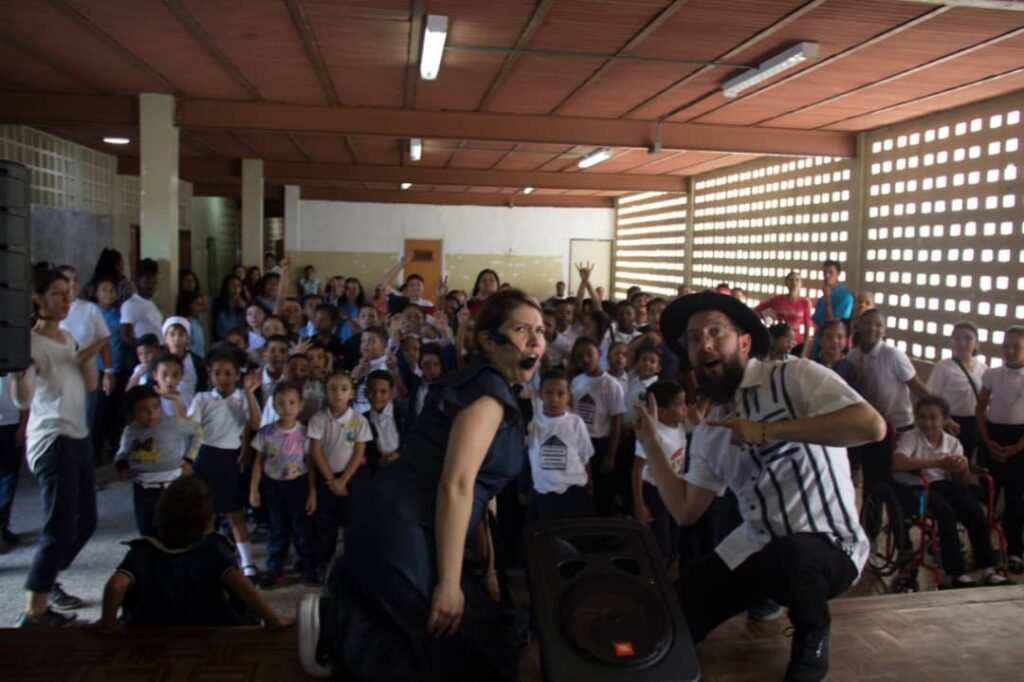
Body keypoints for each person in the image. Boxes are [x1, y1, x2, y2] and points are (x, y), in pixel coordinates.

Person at [300, 288, 544, 680]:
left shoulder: (493, 389)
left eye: (541, 330)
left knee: (466, 630)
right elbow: (456, 486)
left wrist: (491, 569)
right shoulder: (487, 395)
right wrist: (449, 582)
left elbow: (484, 496)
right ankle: (330, 629)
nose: (536, 340)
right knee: (449, 630)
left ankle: (339, 622)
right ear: (487, 339)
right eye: (522, 329)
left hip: (411, 523)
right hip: (401, 526)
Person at [643, 291, 885, 681]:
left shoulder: (795, 377)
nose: (703, 343)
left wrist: (768, 430)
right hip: (758, 546)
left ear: (743, 342)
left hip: (828, 547)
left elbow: (871, 426)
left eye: (715, 332)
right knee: (673, 610)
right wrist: (652, 443)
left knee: (790, 555)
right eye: (692, 337)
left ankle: (812, 642)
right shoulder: (710, 432)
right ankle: (756, 597)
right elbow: (687, 511)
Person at [13, 268, 107, 627]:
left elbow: (90, 383)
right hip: (53, 441)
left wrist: (85, 360)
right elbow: (23, 400)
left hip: (77, 435)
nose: (66, 299)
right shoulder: (30, 344)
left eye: (68, 293)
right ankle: (34, 611)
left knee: (86, 521)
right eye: (56, 293)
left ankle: (46, 577)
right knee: (59, 526)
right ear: (38, 298)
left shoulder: (67, 338)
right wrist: (19, 372)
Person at [96, 476, 294, 632]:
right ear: (208, 520)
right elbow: (240, 584)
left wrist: (108, 624)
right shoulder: (213, 549)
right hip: (214, 629)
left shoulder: (142, 552)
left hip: (151, 631)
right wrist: (273, 619)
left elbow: (116, 585)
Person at [892, 395, 1008, 588]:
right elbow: (898, 462)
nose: (927, 422)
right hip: (917, 487)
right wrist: (937, 462)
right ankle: (957, 572)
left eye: (933, 417)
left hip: (944, 485)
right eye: (922, 417)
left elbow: (960, 483)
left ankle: (988, 568)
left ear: (944, 419)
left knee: (974, 511)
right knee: (946, 514)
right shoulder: (911, 437)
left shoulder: (952, 442)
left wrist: (961, 469)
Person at [188, 346, 262, 578]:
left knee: (234, 513)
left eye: (228, 373)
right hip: (205, 456)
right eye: (217, 373)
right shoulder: (202, 398)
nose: (223, 378)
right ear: (210, 374)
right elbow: (191, 426)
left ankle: (247, 563)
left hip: (230, 458)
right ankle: (208, 557)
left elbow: (256, 425)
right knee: (207, 513)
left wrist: (249, 393)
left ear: (237, 375)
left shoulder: (242, 398)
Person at [847, 308, 931, 486]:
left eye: (878, 325)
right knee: (871, 476)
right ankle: (870, 513)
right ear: (858, 327)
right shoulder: (852, 356)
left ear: (884, 330)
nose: (872, 329)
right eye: (867, 323)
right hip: (869, 426)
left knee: (894, 479)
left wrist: (939, 415)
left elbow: (918, 387)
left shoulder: (893, 355)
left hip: (898, 427)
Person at [250, 381, 317, 588]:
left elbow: (310, 463)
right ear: (274, 405)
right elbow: (258, 462)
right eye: (281, 403)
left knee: (302, 530)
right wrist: (254, 489)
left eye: (291, 403)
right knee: (278, 529)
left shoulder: (305, 433)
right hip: (274, 487)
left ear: (300, 406)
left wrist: (313, 491)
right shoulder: (266, 433)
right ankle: (274, 568)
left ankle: (307, 567)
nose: (286, 408)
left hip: (298, 485)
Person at [307, 372, 373, 576]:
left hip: (351, 478)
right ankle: (322, 562)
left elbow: (359, 451)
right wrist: (331, 480)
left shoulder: (358, 420)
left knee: (353, 522)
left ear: (352, 393)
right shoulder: (318, 419)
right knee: (326, 524)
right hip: (327, 477)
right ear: (326, 392)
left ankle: (354, 563)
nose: (338, 393)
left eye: (344, 389)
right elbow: (315, 451)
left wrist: (343, 480)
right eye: (333, 389)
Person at [115, 385, 200, 536]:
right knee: (147, 529)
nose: (151, 414)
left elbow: (196, 432)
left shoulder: (173, 424)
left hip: (172, 485)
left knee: (175, 528)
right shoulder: (131, 431)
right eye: (143, 410)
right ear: (132, 413)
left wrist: (189, 459)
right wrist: (122, 467)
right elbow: (122, 452)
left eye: (155, 407)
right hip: (144, 487)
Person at [976, 326, 1024, 573]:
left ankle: (1015, 550)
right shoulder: (993, 374)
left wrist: (1018, 447)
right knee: (988, 498)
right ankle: (983, 552)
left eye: (1016, 347)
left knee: (1016, 500)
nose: (1010, 351)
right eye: (1006, 346)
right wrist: (987, 441)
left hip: (1019, 442)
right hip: (993, 438)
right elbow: (980, 409)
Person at [525, 369, 594, 522]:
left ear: (569, 396)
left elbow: (585, 458)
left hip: (573, 492)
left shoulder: (576, 423)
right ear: (540, 394)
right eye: (548, 393)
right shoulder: (533, 424)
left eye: (560, 393)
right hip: (543, 494)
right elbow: (528, 459)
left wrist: (590, 486)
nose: (554, 399)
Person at [633, 380, 689, 565]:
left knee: (675, 537)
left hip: (673, 489)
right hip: (654, 492)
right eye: (680, 405)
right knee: (660, 542)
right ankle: (657, 577)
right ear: (662, 411)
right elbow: (637, 470)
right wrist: (640, 505)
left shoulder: (680, 427)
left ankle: (668, 570)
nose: (685, 408)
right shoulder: (652, 433)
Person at [570, 336, 627, 517]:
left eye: (589, 354)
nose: (585, 360)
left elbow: (616, 420)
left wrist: (611, 454)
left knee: (603, 492)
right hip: (578, 443)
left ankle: (604, 534)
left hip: (600, 444)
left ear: (599, 354)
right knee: (582, 489)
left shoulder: (611, 384)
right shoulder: (576, 381)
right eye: (580, 357)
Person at [926, 322, 986, 459]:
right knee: (950, 460)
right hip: (952, 423)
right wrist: (945, 420)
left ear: (976, 344)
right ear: (951, 342)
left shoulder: (983, 368)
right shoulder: (943, 367)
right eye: (957, 338)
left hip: (975, 422)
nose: (962, 342)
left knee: (967, 459)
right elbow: (932, 398)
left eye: (968, 338)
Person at [755, 271, 813, 351]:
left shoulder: (805, 302)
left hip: (796, 341)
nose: (794, 283)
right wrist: (765, 322)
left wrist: (805, 349)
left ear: (801, 284)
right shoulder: (778, 299)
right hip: (779, 340)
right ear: (786, 283)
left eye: (797, 280)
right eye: (791, 280)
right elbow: (757, 309)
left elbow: (807, 326)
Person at [0, 374, 26, 553]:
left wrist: (23, 424)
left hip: (11, 420)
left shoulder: (16, 352)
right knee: (7, 476)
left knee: (9, 477)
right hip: (9, 420)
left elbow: (26, 390)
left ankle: (2, 526)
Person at [809, 259, 854, 358]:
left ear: (838, 275)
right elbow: (816, 325)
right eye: (824, 273)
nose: (826, 276)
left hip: (833, 346)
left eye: (830, 273)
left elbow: (834, 323)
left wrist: (828, 299)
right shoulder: (822, 299)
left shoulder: (846, 297)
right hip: (818, 344)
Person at [119, 258, 163, 348]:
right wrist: (145, 347)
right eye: (147, 282)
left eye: (154, 282)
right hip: (142, 354)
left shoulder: (151, 304)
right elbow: (125, 337)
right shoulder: (130, 305)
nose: (152, 286)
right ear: (137, 282)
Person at [214, 275, 248, 342]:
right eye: (232, 285)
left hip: (242, 341)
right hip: (225, 341)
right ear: (226, 287)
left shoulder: (244, 304)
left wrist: (246, 308)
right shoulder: (218, 303)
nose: (236, 288)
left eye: (238, 286)